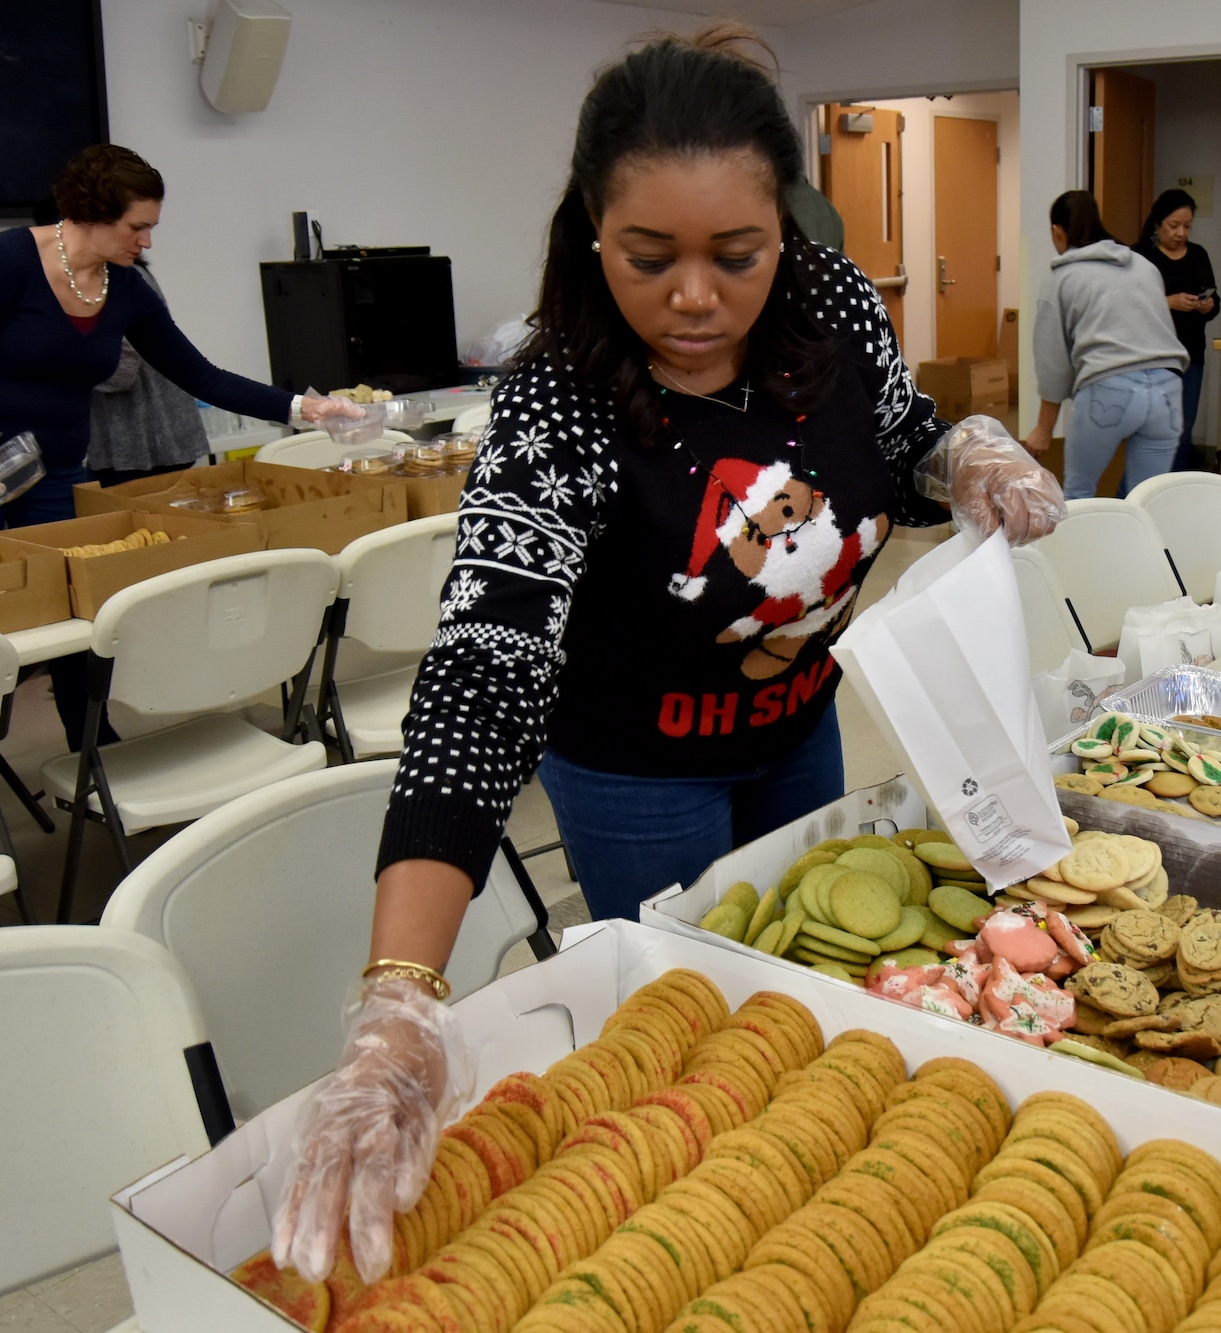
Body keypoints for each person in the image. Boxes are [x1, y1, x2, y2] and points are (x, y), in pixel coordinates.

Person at [269, 26, 1063, 1286]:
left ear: (784, 233)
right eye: (649, 259)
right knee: (697, 1048)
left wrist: (961, 450)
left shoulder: (834, 308)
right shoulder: (555, 404)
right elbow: (484, 671)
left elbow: (898, 440)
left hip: (797, 726)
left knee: (815, 980)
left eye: (734, 257)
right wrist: (399, 997)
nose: (693, 297)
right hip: (638, 768)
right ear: (593, 230)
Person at [0, 144, 358, 747]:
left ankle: (89, 743)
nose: (146, 242)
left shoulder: (127, 288)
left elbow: (201, 376)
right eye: (137, 227)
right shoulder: (5, 261)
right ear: (91, 213)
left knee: (70, 603)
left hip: (53, 467)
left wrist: (307, 408)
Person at [1023, 191, 1188, 499]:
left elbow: (1052, 363)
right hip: (1167, 389)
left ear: (1057, 232)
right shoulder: (1144, 267)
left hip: (1109, 388)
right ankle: (1140, 548)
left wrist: (1043, 429)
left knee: (1079, 493)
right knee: (1147, 499)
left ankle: (1082, 549)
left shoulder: (1061, 279)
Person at [89, 260, 215, 487]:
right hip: (130, 440)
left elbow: (122, 367)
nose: (145, 241)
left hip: (143, 437)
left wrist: (62, 368)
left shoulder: (121, 277)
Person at [1134, 188, 1219, 473]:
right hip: (1151, 356)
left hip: (1191, 354)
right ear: (1158, 223)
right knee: (1152, 430)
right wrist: (1168, 302)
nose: (1181, 233)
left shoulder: (1198, 255)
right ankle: (1146, 489)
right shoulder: (1140, 256)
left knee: (1184, 430)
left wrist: (1209, 305)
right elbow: (1128, 305)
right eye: (1174, 226)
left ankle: (1175, 488)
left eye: (1187, 226)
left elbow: (1216, 301)